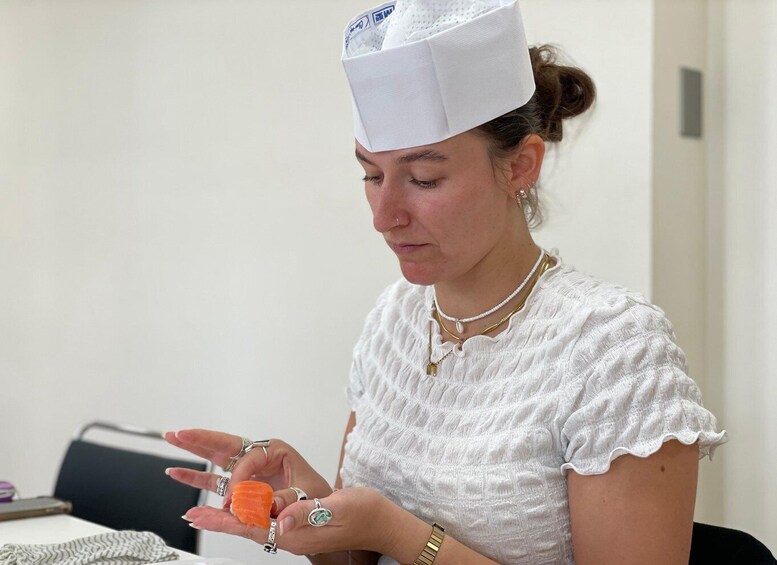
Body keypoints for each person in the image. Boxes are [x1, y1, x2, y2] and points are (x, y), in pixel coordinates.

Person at [164, 1, 727, 563]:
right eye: (371, 174)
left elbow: (387, 538)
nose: (384, 216)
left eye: (424, 178)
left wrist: (398, 533)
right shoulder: (394, 321)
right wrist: (309, 501)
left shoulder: (613, 349)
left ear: (520, 166)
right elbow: (357, 559)